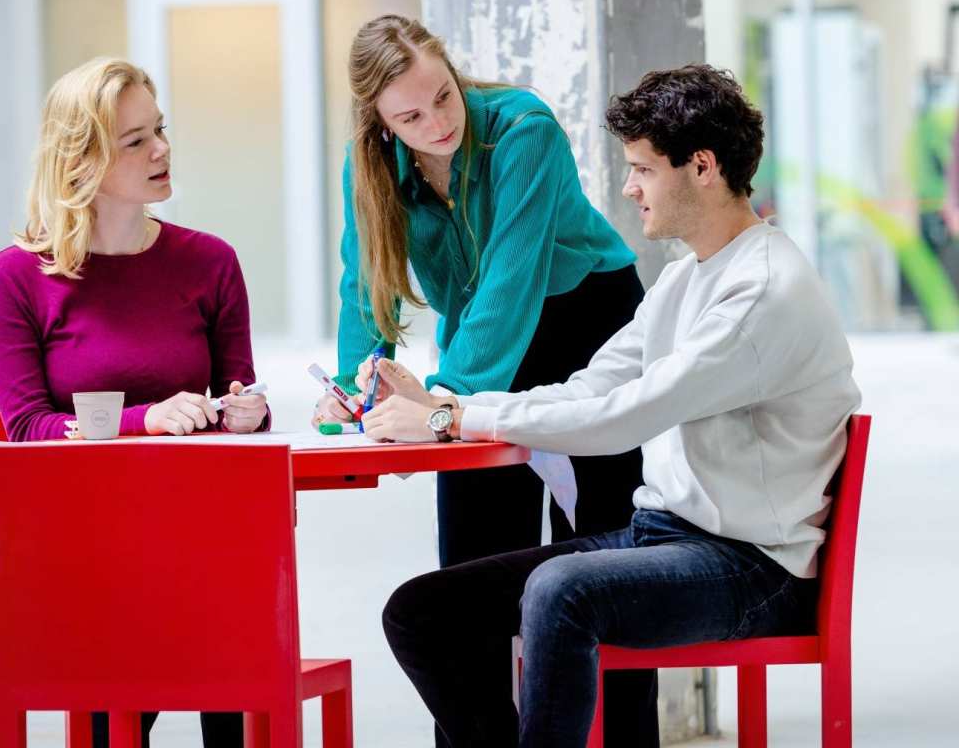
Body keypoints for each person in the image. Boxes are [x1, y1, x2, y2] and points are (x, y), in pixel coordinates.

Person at [362, 64, 861, 748]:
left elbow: (624, 418)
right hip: (666, 540)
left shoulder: (760, 293)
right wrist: (454, 402)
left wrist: (448, 421)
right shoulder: (689, 275)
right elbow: (592, 387)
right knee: (422, 610)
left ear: (703, 167)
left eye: (642, 170)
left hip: (751, 567)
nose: (628, 189)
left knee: (561, 590)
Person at [0, 57, 269, 748]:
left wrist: (245, 411)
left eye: (159, 130)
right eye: (135, 140)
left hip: (202, 536)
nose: (162, 150)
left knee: (220, 618)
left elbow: (240, 395)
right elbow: (28, 427)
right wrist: (150, 421)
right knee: (144, 652)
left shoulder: (211, 262)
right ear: (80, 159)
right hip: (86, 542)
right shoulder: (17, 278)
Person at [315, 14, 644, 567]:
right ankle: (481, 656)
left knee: (596, 546)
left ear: (452, 70)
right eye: (411, 117)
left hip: (587, 323)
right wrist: (357, 387)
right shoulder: (367, 165)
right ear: (382, 121)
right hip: (477, 334)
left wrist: (442, 402)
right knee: (474, 554)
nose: (439, 122)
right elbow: (366, 282)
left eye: (445, 96)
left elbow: (509, 281)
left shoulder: (524, 130)